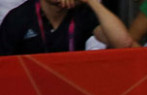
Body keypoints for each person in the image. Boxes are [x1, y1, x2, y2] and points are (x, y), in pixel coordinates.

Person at [0, 0, 132, 54]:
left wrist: (91, 2)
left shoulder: (82, 13)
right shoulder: (19, 17)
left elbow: (123, 43)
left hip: (70, 88)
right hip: (30, 90)